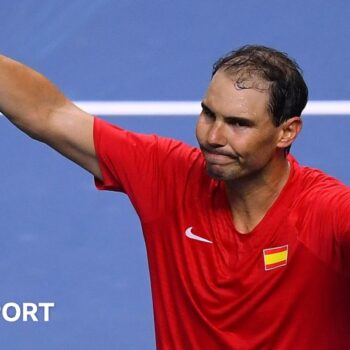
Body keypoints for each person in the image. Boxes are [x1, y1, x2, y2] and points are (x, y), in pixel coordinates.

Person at [1, 45, 350, 349]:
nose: (213, 136)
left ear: (286, 132)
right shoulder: (167, 177)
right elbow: (49, 114)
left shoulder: (326, 212)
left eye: (238, 124)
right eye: (208, 114)